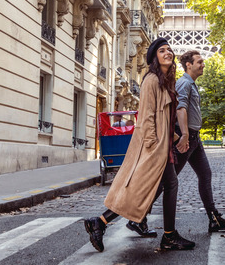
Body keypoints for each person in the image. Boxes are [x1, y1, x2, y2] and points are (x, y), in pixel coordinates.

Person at [84, 38, 195, 252]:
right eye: (162, 50)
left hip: (163, 145)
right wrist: (154, 146)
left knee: (151, 188)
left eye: (169, 50)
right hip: (153, 147)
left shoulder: (165, 81)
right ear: (154, 57)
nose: (168, 53)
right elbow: (146, 117)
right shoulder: (151, 80)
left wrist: (175, 139)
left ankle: (101, 222)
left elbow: (164, 119)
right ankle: (168, 236)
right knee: (153, 187)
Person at [149, 50, 225, 233]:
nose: (203, 64)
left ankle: (214, 218)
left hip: (194, 138)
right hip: (187, 137)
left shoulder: (191, 84)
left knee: (205, 174)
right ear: (188, 65)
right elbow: (181, 108)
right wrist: (183, 136)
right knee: (169, 180)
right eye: (199, 61)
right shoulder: (184, 83)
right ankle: (139, 216)